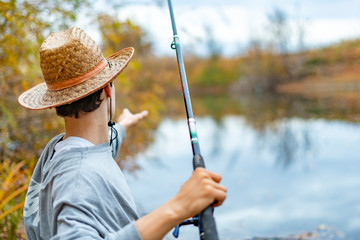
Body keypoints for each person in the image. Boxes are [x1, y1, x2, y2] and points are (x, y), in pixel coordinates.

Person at [19, 26, 226, 240]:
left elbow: (98, 150)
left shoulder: (57, 150)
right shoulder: (79, 178)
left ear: (56, 103)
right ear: (108, 88)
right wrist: (178, 207)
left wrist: (124, 125)